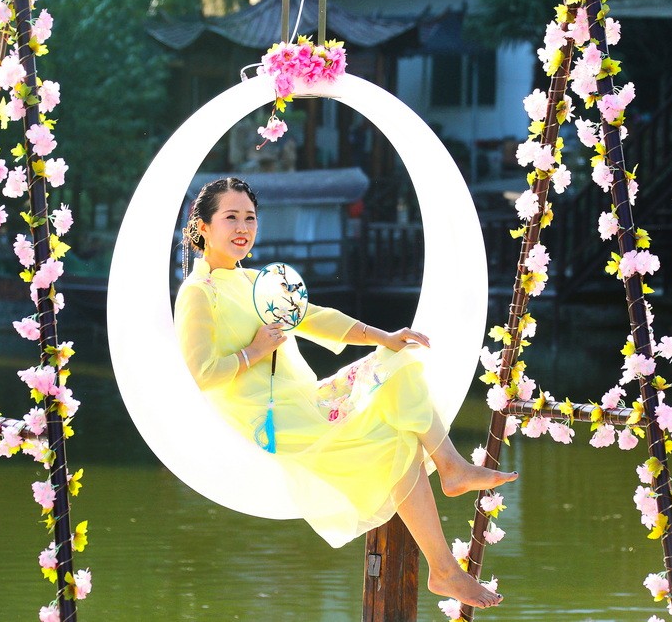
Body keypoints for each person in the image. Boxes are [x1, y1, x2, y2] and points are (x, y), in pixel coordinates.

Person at [174, 177, 517, 609]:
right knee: (394, 444)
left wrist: (383, 336)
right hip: (268, 418)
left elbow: (314, 317)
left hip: (305, 399)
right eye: (231, 217)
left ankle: (451, 467)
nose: (243, 227)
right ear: (203, 226)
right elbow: (201, 374)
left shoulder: (258, 280)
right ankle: (444, 569)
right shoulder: (197, 293)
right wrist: (254, 352)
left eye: (250, 218)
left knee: (394, 364)